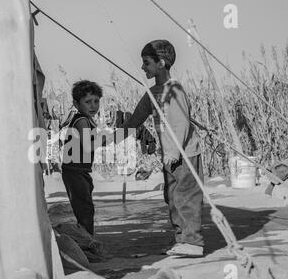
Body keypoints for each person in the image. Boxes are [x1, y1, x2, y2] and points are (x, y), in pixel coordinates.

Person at [120, 40, 205, 257]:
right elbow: (138, 116)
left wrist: (174, 152)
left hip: (184, 155)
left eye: (146, 63)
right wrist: (118, 134)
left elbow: (181, 124)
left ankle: (192, 241)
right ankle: (182, 238)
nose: (142, 68)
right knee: (172, 197)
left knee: (186, 196)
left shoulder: (174, 90)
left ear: (161, 63)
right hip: (170, 156)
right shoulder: (154, 92)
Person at [61, 80, 103, 236]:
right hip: (75, 171)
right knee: (84, 210)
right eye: (88, 102)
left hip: (80, 171)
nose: (93, 106)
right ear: (76, 104)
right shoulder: (82, 121)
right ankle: (87, 244)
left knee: (85, 208)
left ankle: (87, 241)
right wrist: (105, 139)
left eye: (96, 101)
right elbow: (87, 146)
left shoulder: (86, 120)